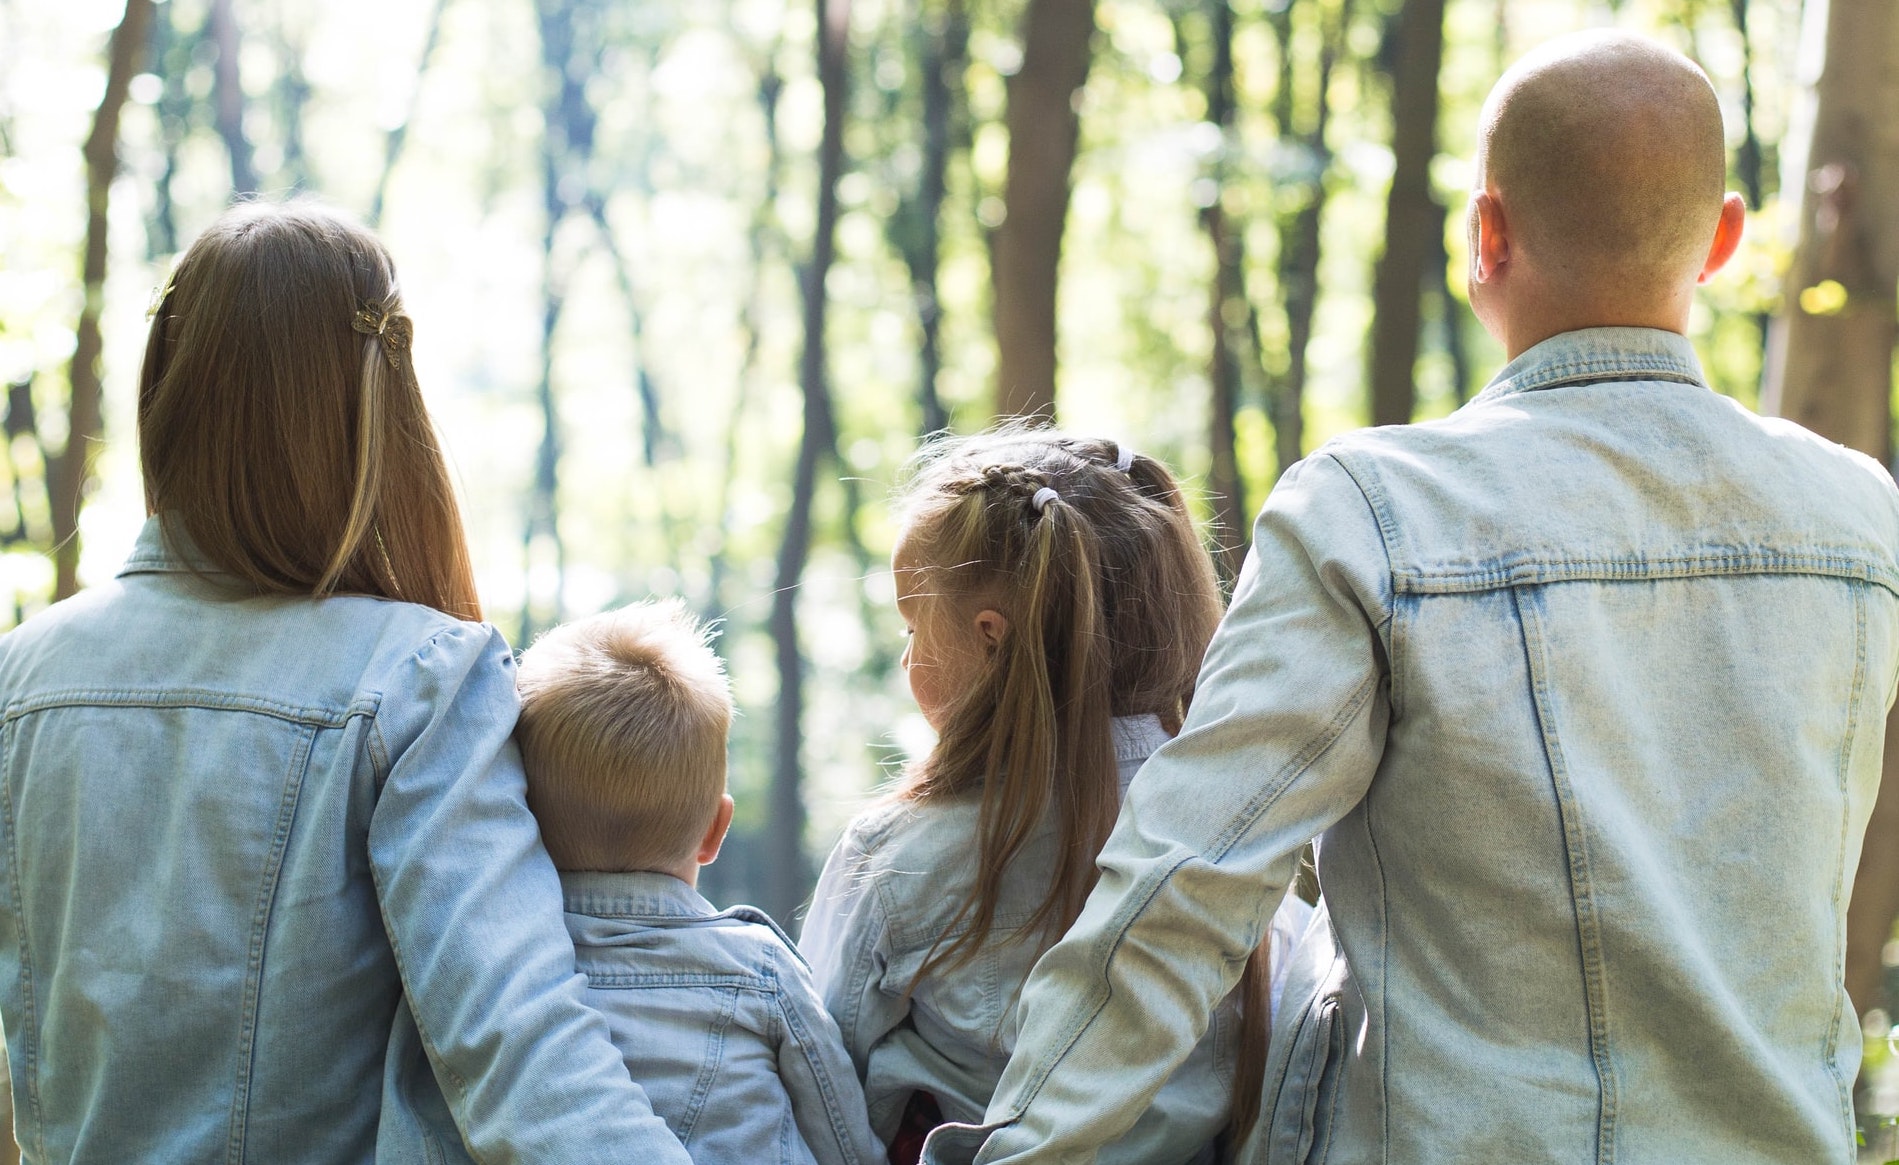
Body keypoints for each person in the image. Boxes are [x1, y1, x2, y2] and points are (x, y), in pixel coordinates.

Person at [921, 31, 1899, 1165]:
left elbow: (1186, 883)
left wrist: (1020, 1146)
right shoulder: (1859, 520)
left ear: (1485, 234)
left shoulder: (1375, 514)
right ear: (1725, 238)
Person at [0, 201, 691, 1162]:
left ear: (165, 387)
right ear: (378, 404)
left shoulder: (20, 679)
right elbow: (523, 1058)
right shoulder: (416, 679)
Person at [801, 430, 1314, 1164]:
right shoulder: (1243, 846)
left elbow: (819, 1081)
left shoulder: (895, 862)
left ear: (990, 639)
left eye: (913, 628)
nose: (909, 658)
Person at [509, 598, 883, 1165]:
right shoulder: (759, 973)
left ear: (521, 822)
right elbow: (846, 1142)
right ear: (716, 829)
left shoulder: (504, 971)